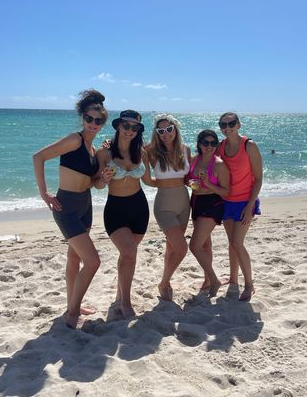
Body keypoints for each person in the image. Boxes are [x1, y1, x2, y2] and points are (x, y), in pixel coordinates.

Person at [33, 89, 108, 328]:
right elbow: (39, 157)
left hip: (85, 205)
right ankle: (73, 312)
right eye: (90, 119)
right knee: (93, 261)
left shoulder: (93, 150)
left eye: (99, 121)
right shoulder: (75, 140)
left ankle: (71, 304)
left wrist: (103, 177)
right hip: (66, 207)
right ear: (82, 117)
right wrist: (44, 192)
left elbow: (94, 185)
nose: (94, 124)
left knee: (74, 258)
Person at [96, 110, 152, 319]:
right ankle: (125, 304)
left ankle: (120, 293)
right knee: (129, 253)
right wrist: (103, 178)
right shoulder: (105, 153)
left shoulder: (142, 153)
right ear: (118, 126)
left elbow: (149, 181)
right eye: (126, 126)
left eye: (134, 127)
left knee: (127, 254)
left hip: (139, 208)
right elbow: (98, 185)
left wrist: (178, 185)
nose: (130, 130)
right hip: (115, 209)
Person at [144, 114, 191, 301]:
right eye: (161, 131)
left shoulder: (185, 150)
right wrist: (166, 184)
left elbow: (191, 176)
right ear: (157, 133)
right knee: (181, 248)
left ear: (175, 129)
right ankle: (164, 282)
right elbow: (146, 180)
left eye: (169, 129)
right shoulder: (150, 151)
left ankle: (167, 281)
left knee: (172, 247)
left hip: (184, 203)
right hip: (164, 205)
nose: (166, 134)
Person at [217, 112, 263, 302]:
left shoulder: (249, 145)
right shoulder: (220, 146)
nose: (227, 127)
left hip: (246, 202)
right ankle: (233, 279)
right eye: (223, 124)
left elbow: (259, 179)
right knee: (231, 243)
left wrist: (250, 206)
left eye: (231, 123)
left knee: (237, 243)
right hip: (227, 201)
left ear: (239, 124)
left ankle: (249, 285)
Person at [188, 130, 230, 296]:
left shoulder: (219, 164)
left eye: (213, 143)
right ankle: (207, 280)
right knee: (205, 244)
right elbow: (188, 180)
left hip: (212, 203)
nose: (209, 146)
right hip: (196, 202)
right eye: (206, 143)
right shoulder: (194, 160)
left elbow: (226, 191)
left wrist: (208, 184)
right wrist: (193, 184)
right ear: (199, 144)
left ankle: (214, 279)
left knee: (194, 245)